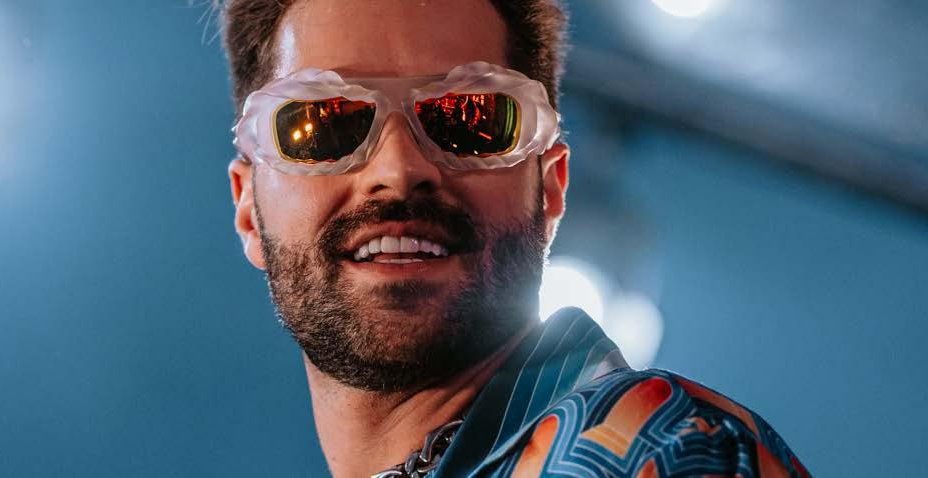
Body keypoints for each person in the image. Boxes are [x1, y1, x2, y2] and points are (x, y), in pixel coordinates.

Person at [219, 0, 810, 476]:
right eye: (323, 124)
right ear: (248, 208)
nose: (397, 169)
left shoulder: (654, 451)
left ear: (550, 189)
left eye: (469, 119)